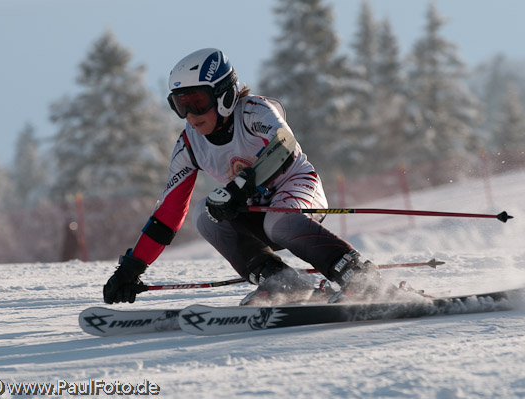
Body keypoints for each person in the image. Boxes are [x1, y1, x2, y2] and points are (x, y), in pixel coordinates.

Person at [103, 48, 380, 306]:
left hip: (297, 189)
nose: (190, 115)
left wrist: (239, 188)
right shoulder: (190, 144)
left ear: (223, 96)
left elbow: (284, 144)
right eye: (180, 104)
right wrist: (132, 267)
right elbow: (168, 213)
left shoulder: (253, 112)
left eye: (198, 102)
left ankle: (357, 275)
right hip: (253, 210)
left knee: (278, 220)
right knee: (204, 214)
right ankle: (281, 281)